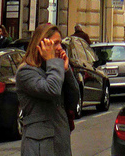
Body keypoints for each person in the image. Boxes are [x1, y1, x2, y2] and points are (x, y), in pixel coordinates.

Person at [16, 22, 80, 156]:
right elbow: (52, 90)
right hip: (39, 147)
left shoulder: (53, 69)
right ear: (41, 45)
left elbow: (74, 100)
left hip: (60, 142)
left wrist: (66, 70)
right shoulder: (26, 72)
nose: (60, 48)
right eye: (55, 43)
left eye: (60, 43)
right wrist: (54, 63)